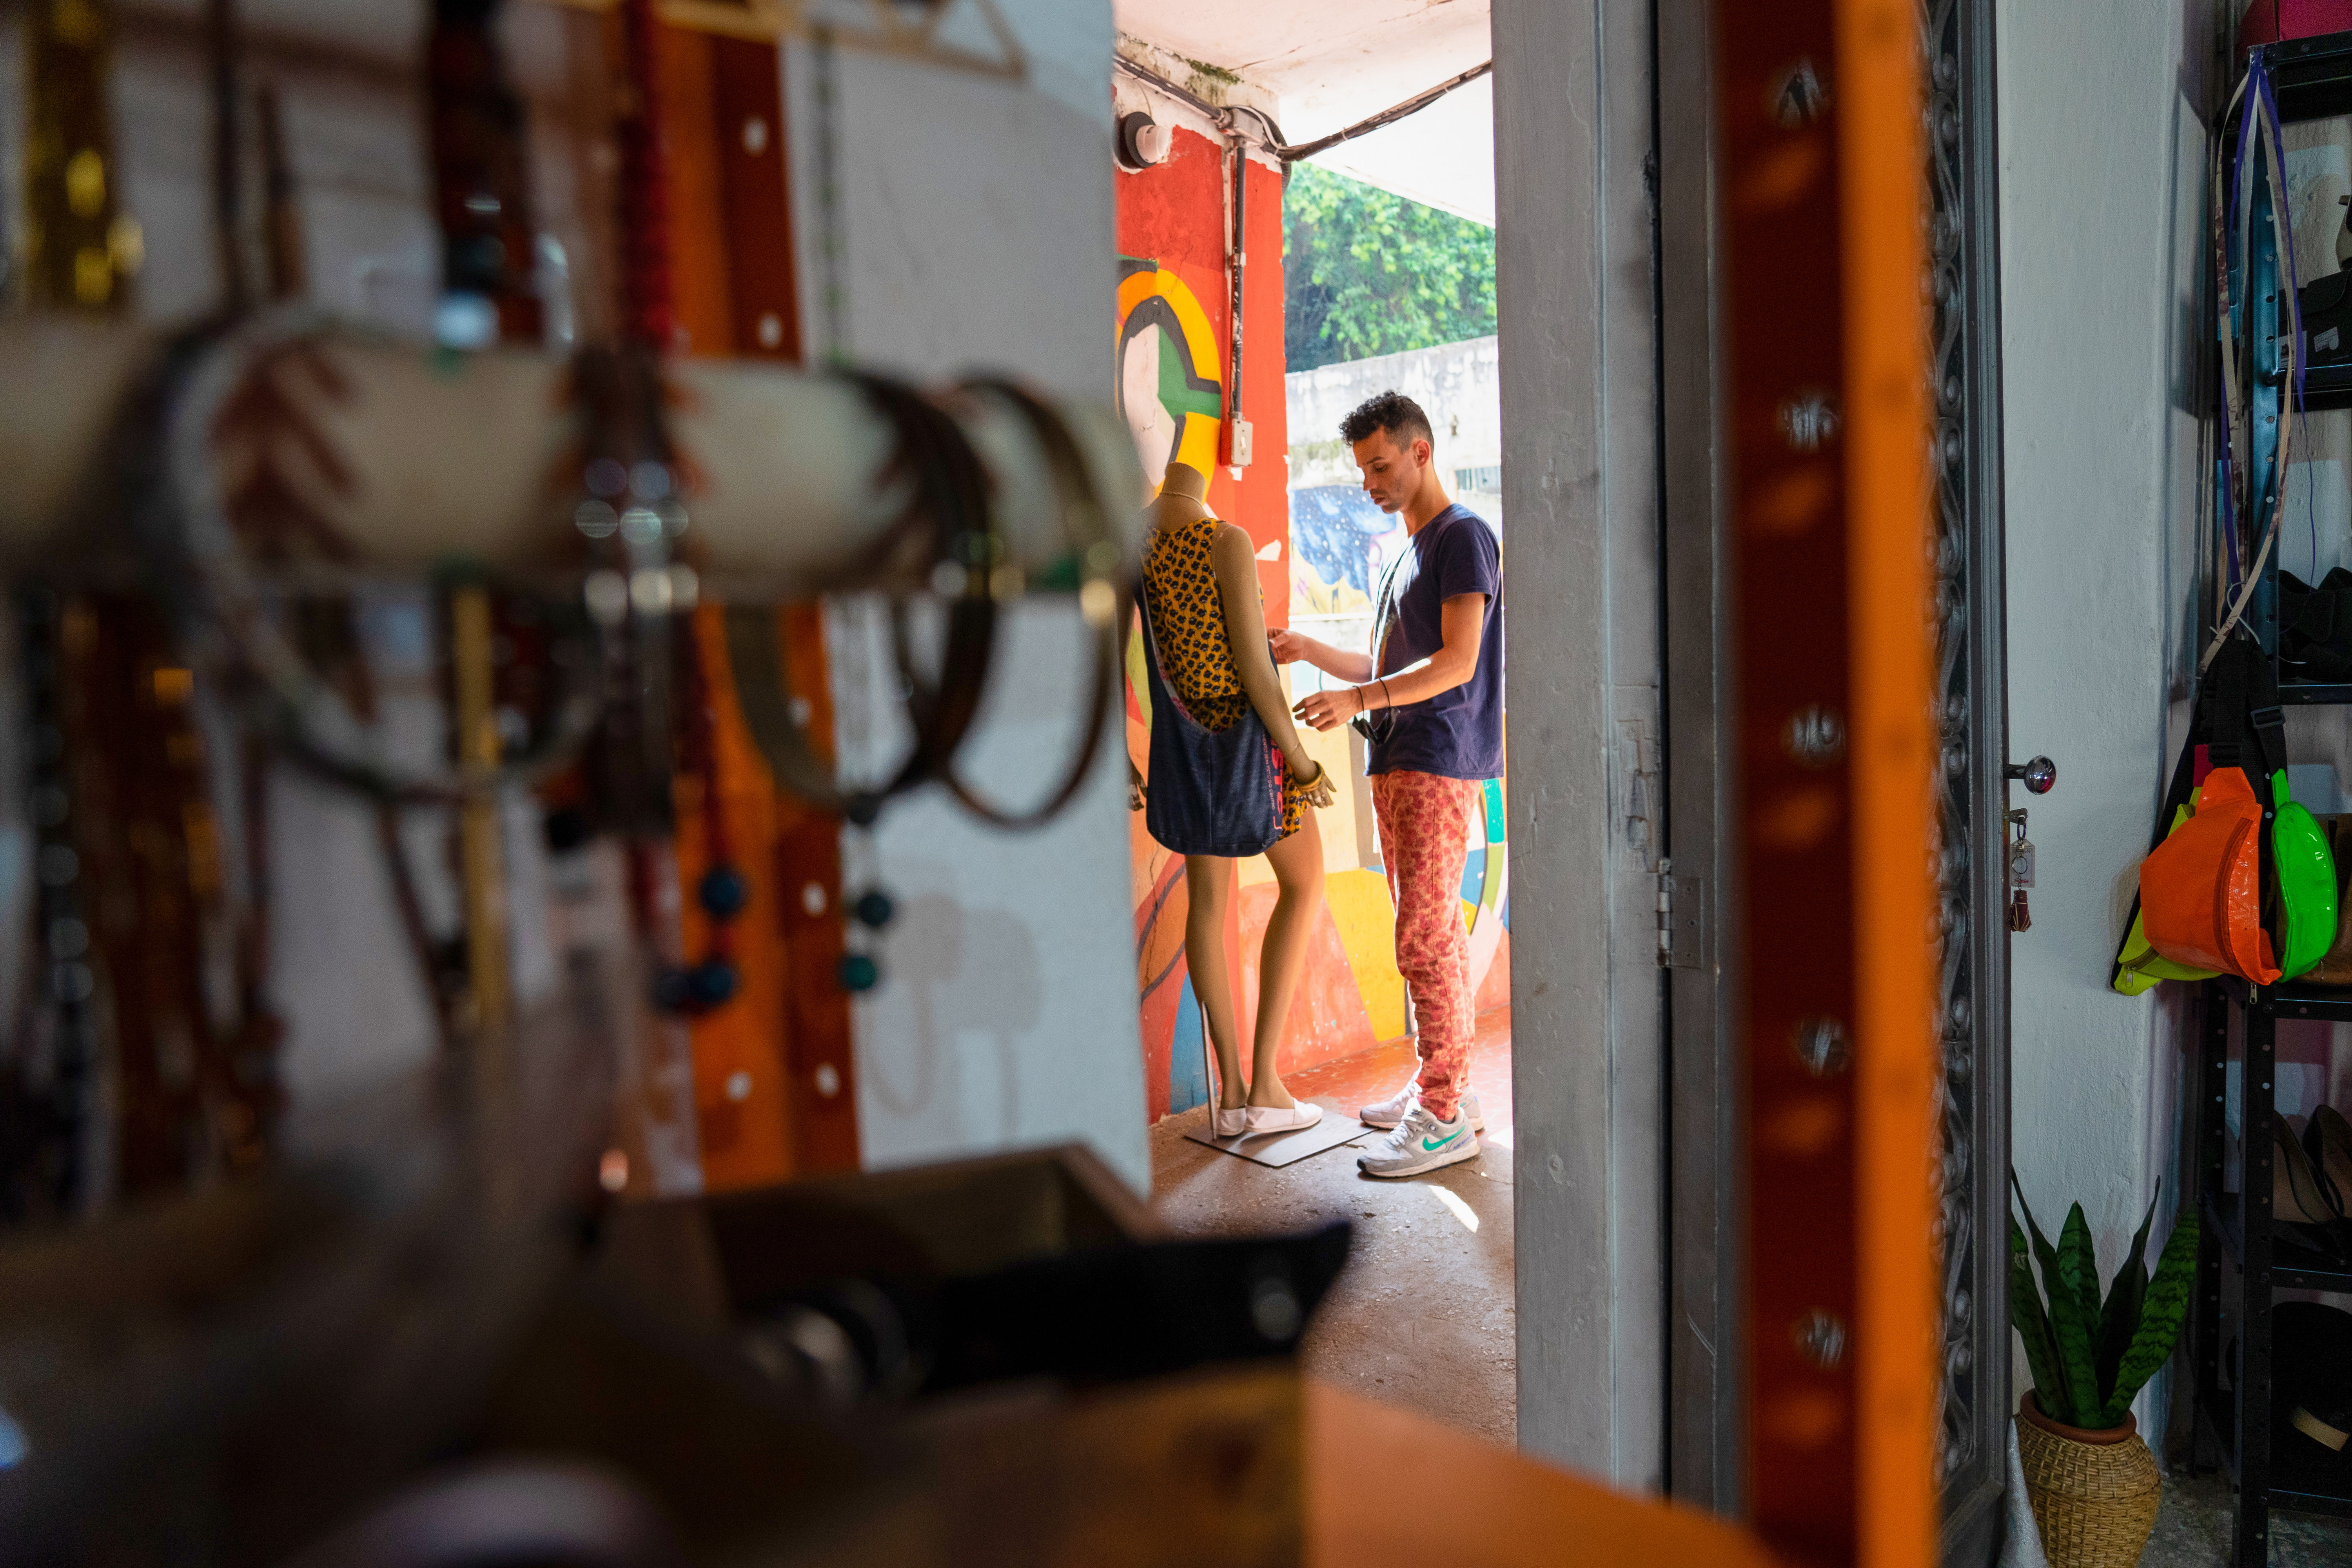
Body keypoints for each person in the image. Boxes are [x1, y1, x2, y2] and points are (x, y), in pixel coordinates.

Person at [1278, 390, 1503, 1180]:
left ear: (1420, 451)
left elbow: (1457, 661)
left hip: (1438, 757)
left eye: (1381, 465)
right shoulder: (1408, 548)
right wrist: (1310, 647)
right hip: (1403, 757)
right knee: (1423, 931)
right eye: (1362, 470)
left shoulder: (1462, 536)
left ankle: (1442, 1114)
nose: (1370, 482)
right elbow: (1387, 665)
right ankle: (1448, 1087)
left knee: (1425, 936)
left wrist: (1358, 700)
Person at [1135, 461, 1338, 1138]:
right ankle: (1269, 1086)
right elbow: (1256, 672)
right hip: (1249, 749)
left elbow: (1111, 656)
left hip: (1185, 751)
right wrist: (1304, 765)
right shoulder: (1225, 540)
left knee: (1208, 904)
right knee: (1305, 882)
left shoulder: (1132, 541)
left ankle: (1231, 1097)